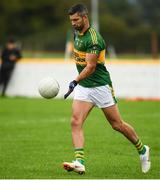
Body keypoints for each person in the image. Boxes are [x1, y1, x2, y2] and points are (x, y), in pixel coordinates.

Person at [62, 4, 151, 175]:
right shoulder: (77, 33)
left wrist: (75, 80)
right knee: (75, 121)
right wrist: (79, 83)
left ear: (85, 17)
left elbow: (91, 67)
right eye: (71, 20)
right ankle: (79, 161)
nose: (73, 23)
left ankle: (142, 149)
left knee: (117, 124)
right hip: (85, 87)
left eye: (76, 19)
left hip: (101, 86)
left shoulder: (94, 39)